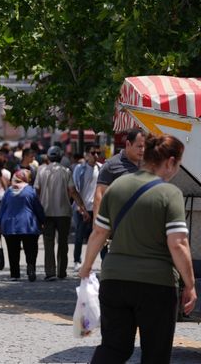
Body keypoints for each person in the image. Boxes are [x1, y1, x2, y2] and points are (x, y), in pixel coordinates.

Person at [78, 134, 196, 363]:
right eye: (179, 164)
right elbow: (178, 243)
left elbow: (99, 233)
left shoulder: (118, 185)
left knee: (114, 348)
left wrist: (86, 267)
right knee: (155, 353)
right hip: (156, 284)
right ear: (170, 161)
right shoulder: (170, 194)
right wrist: (190, 285)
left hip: (114, 280)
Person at [34, 146, 88, 281]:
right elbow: (72, 191)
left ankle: (50, 272)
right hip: (63, 212)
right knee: (63, 243)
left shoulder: (41, 171)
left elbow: (36, 191)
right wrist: (82, 207)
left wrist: (37, 208)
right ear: (61, 156)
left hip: (46, 212)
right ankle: (61, 271)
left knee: (48, 243)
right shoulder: (66, 171)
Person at [93, 128, 144, 259]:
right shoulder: (111, 165)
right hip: (115, 229)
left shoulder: (147, 164)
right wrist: (97, 229)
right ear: (128, 144)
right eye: (139, 146)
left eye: (145, 147)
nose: (142, 150)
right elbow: (99, 196)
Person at [0, 169, 45, 282]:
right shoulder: (30, 191)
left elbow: (1, 209)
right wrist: (43, 220)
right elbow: (38, 208)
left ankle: (15, 274)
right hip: (28, 225)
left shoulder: (8, 191)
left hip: (10, 225)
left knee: (12, 250)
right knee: (31, 249)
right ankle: (31, 267)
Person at [71, 144, 102, 271]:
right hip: (82, 207)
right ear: (87, 154)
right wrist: (81, 207)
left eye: (98, 153)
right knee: (79, 235)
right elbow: (75, 189)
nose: (96, 156)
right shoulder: (80, 169)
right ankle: (77, 260)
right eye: (93, 153)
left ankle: (98, 260)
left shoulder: (101, 168)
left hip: (96, 207)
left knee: (98, 234)